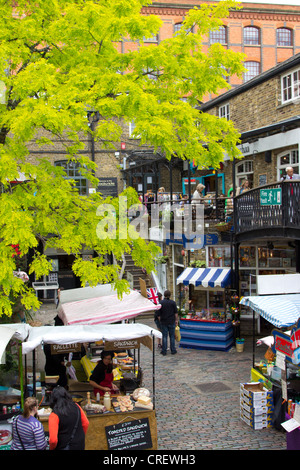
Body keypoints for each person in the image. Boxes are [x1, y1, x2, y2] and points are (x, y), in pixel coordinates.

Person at [48, 386, 89, 451]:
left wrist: (51, 448)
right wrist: (79, 437)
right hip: (79, 445)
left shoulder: (54, 414)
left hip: (63, 446)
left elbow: (53, 440)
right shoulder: (77, 406)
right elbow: (86, 423)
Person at [158, 290, 179, 356]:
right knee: (172, 336)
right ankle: (173, 350)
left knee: (164, 336)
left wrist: (160, 320)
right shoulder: (173, 303)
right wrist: (176, 320)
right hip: (171, 321)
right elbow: (176, 313)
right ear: (170, 295)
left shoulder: (161, 303)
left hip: (164, 321)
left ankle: (164, 351)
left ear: (164, 295)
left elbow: (158, 314)